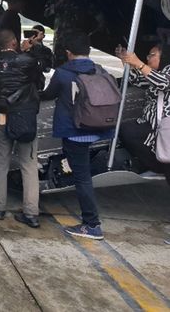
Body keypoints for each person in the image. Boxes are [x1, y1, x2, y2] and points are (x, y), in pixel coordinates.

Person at [40, 30, 113, 240]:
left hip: (74, 133)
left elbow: (48, 94)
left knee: (82, 178)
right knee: (83, 174)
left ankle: (92, 224)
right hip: (97, 129)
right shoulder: (100, 70)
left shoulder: (63, 73)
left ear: (68, 52)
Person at [0, 30, 42, 228]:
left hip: (0, 117)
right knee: (28, 165)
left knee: (0, 163)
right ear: (15, 42)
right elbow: (40, 82)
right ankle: (31, 212)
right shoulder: (27, 61)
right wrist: (32, 50)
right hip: (25, 118)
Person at [116, 43, 170, 181]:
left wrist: (138, 63)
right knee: (126, 131)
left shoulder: (166, 72)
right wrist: (125, 60)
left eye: (152, 55)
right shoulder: (157, 72)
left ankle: (158, 167)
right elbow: (137, 81)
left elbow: (162, 83)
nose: (148, 58)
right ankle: (155, 167)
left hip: (165, 127)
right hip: (151, 123)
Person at [43, 0, 105, 67]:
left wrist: (98, 27)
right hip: (60, 40)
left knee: (76, 65)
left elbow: (96, 13)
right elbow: (46, 13)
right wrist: (58, 4)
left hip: (75, 40)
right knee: (59, 65)